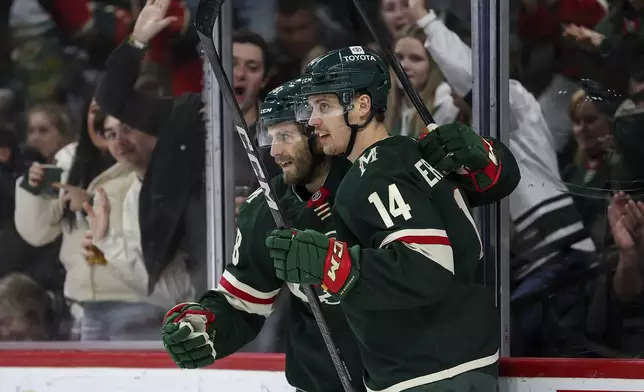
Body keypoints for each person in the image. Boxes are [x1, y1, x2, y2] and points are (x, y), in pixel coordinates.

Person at [161, 74, 519, 391]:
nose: (275, 151)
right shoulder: (265, 210)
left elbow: (478, 188)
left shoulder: (377, 172)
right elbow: (240, 303)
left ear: (316, 132)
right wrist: (203, 325)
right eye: (270, 136)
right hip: (324, 381)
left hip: (408, 373)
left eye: (286, 135)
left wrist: (486, 157)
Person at [264, 47, 512, 392]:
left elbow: (428, 266)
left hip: (427, 371)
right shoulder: (411, 153)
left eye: (325, 106)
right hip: (463, 360)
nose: (312, 120)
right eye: (312, 108)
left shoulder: (373, 174)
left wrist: (332, 264)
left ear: (362, 106)